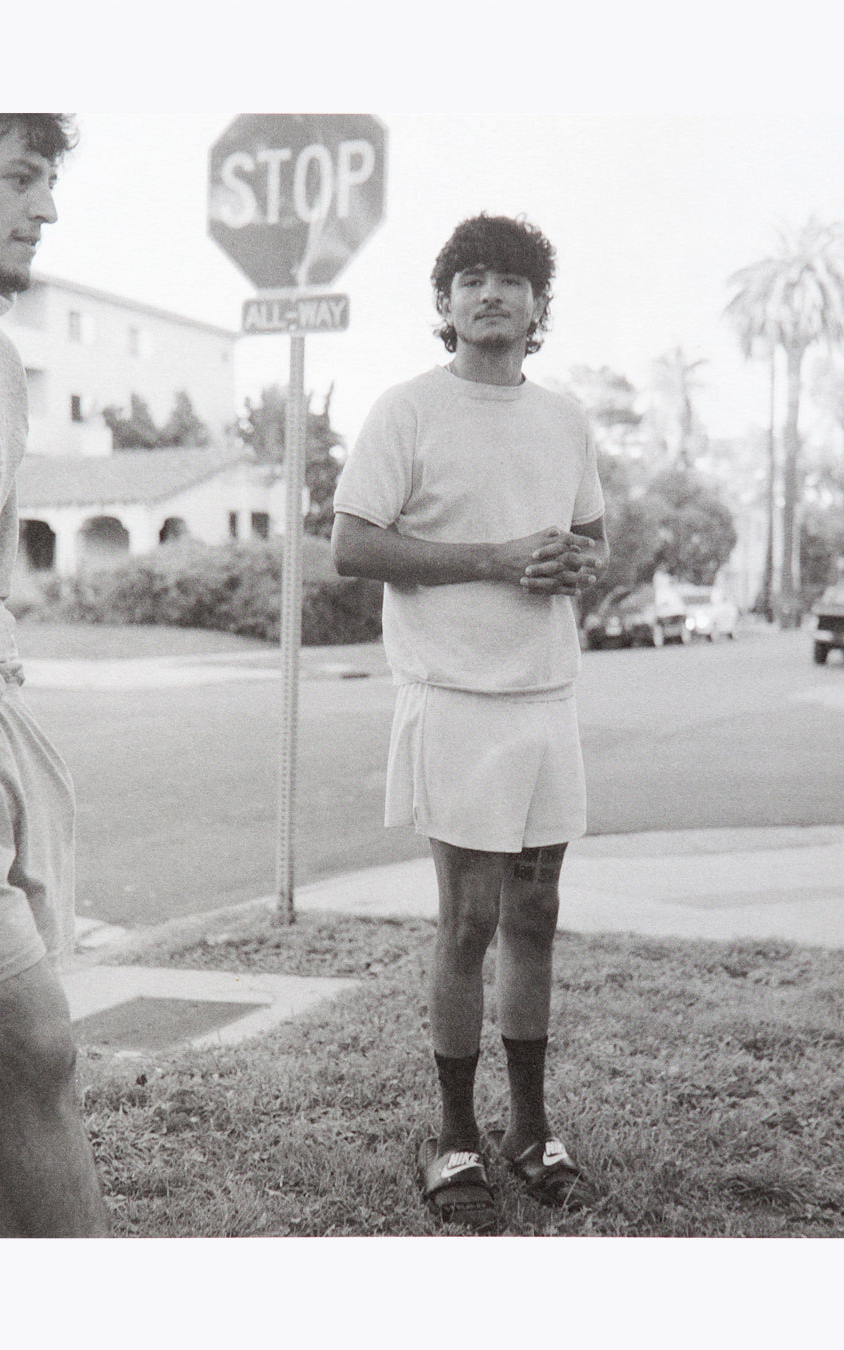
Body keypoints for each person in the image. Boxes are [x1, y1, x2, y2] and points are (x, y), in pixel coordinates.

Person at [331, 213, 608, 1231]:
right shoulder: (408, 410)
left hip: (546, 698)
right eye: (472, 279)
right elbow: (354, 546)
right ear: (445, 306)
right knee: (469, 922)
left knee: (536, 915)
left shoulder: (566, 417)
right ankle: (453, 1135)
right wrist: (495, 557)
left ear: (539, 309)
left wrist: (576, 563)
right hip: (453, 698)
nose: (491, 294)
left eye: (513, 280)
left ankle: (532, 1132)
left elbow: (591, 535)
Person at [0, 114, 108, 1237]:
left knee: (16, 1060)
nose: (46, 207)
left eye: (51, 180)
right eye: (20, 178)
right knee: (34, 1036)